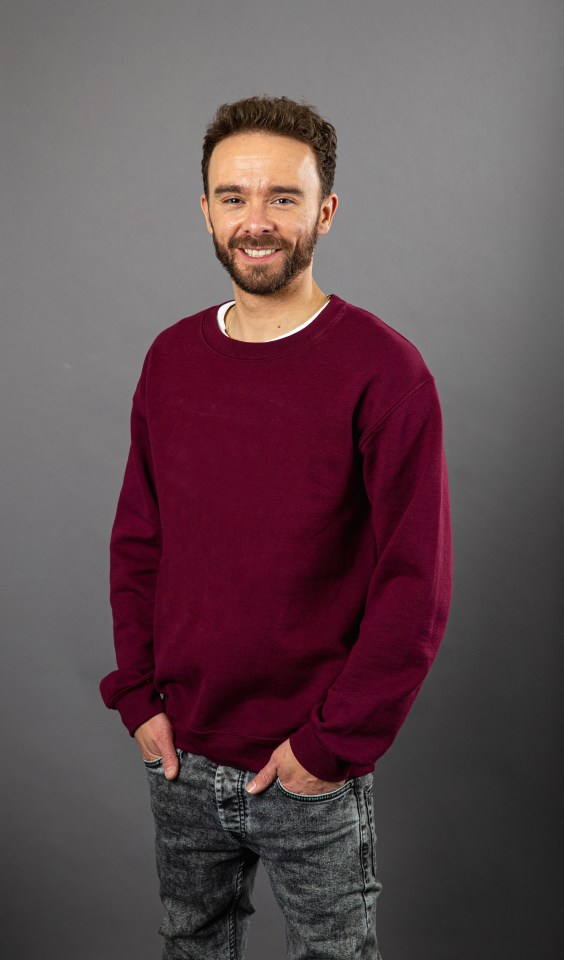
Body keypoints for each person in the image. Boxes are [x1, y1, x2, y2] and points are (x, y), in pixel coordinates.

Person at [100, 94, 453, 960]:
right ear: (207, 211)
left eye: (282, 199)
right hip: (181, 758)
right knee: (191, 948)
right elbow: (139, 537)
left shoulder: (384, 370)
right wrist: (139, 698)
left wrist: (332, 747)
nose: (256, 222)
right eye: (234, 197)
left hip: (310, 774)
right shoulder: (172, 358)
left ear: (324, 212)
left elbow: (416, 585)